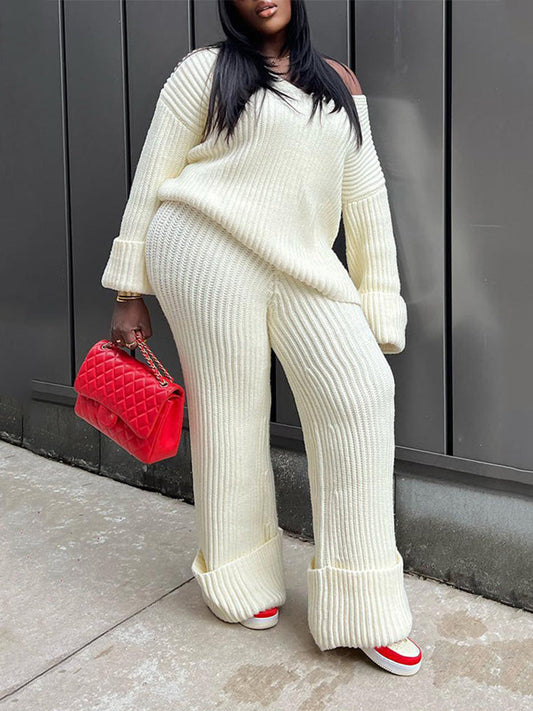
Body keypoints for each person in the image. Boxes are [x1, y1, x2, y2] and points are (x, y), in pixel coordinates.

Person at [100, 0, 422, 676]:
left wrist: (377, 299)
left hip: (304, 262)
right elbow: (153, 172)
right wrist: (129, 291)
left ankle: (363, 602)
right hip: (203, 246)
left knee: (362, 397)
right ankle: (239, 575)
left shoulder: (338, 81)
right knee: (230, 412)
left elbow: (365, 197)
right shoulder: (204, 71)